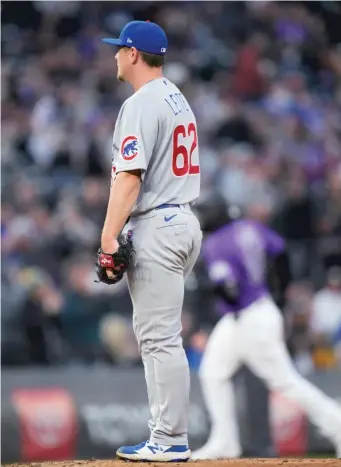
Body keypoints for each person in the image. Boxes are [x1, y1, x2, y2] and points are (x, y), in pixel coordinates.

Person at [99, 21, 202, 462]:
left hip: (159, 224)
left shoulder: (141, 102)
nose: (115, 56)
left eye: (120, 49)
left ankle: (169, 439)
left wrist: (107, 239)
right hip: (181, 220)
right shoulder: (177, 98)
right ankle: (165, 435)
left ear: (135, 54)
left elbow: (129, 179)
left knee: (160, 339)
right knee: (159, 336)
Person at [192, 192, 341, 459]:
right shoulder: (249, 227)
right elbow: (281, 254)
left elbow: (229, 291)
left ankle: (337, 426)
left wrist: (206, 290)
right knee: (213, 371)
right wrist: (281, 297)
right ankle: (224, 440)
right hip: (253, 311)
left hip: (249, 316)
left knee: (286, 381)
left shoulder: (216, 243)